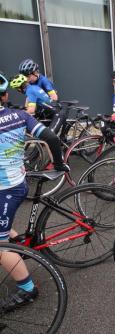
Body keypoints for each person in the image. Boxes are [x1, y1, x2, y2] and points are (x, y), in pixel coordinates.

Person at [0, 72, 68, 311]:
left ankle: (28, 289)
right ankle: (18, 243)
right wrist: (59, 164)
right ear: (5, 96)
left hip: (7, 189)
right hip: (17, 183)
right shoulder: (19, 115)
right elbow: (50, 136)